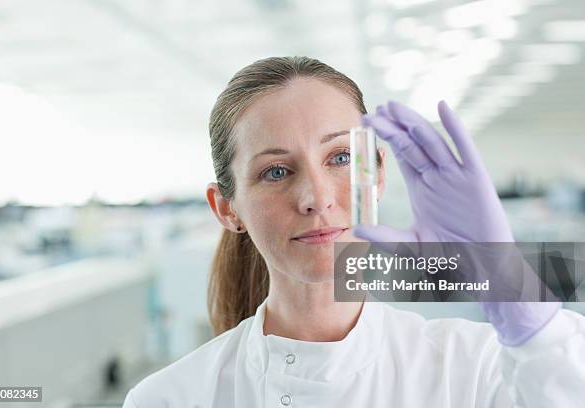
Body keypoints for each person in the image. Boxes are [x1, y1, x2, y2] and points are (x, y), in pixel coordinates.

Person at [122, 56, 585, 407]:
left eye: (340, 158)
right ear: (226, 209)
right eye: (277, 172)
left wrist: (514, 290)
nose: (316, 198)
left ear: (378, 173)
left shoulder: (472, 368)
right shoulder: (171, 397)